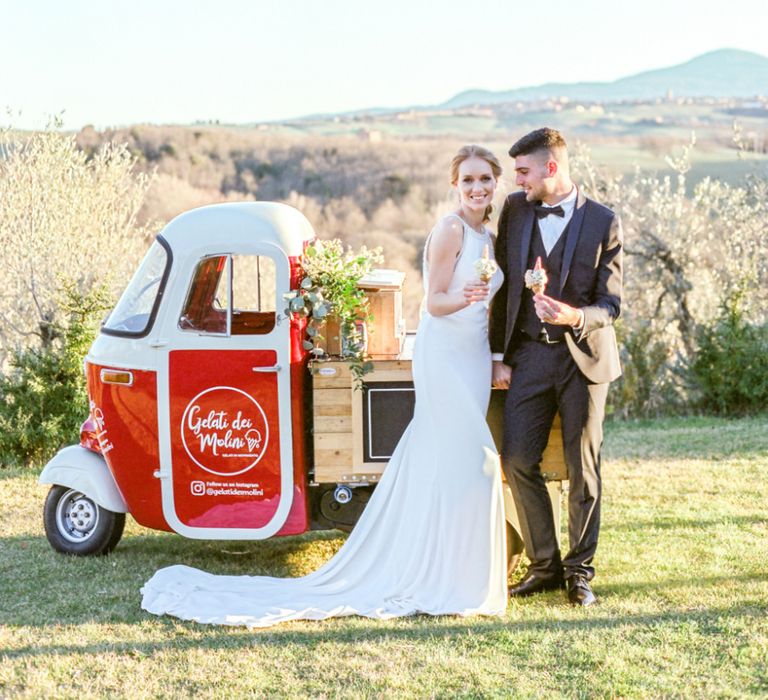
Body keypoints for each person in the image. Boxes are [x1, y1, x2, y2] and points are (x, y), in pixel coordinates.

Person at [141, 145, 508, 627]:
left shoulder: (489, 234)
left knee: (448, 461)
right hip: (445, 356)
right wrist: (467, 295)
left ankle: (448, 565)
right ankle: (443, 575)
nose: (477, 188)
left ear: (495, 183)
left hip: (474, 357)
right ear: (454, 185)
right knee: (473, 458)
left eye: (485, 179)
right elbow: (435, 303)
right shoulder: (451, 230)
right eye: (468, 180)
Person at [489, 128, 622, 607]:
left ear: (551, 167)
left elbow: (611, 304)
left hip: (583, 360)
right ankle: (544, 565)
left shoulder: (604, 221)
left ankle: (578, 573)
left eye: (523, 171)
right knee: (517, 459)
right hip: (528, 356)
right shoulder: (516, 209)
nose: (516, 180)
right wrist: (496, 355)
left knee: (582, 468)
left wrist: (575, 317)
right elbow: (504, 291)